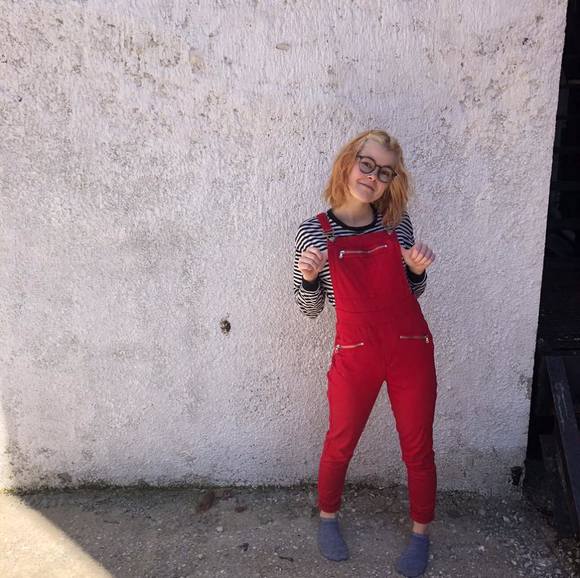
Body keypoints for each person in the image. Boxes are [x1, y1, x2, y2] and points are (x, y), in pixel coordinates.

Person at [293, 129, 437, 577]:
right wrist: (310, 278)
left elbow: (413, 292)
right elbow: (310, 309)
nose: (373, 177)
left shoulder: (397, 224)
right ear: (348, 162)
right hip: (355, 352)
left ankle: (420, 534)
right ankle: (328, 518)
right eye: (367, 164)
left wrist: (417, 272)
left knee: (418, 446)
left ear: (392, 180)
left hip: (410, 347)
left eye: (385, 172)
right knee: (340, 441)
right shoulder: (313, 233)